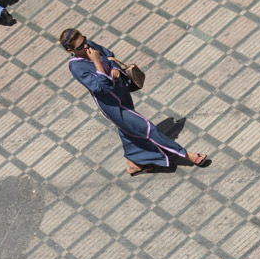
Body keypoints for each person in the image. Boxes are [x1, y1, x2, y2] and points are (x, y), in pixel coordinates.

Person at [60, 28, 208, 176]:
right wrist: (97, 63)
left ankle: (133, 163)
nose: (85, 46)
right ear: (70, 50)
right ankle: (187, 155)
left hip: (122, 92)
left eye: (84, 40)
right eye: (80, 47)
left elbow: (110, 56)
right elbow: (101, 88)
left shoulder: (90, 45)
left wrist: (115, 68)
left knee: (127, 130)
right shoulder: (76, 67)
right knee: (148, 129)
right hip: (113, 106)